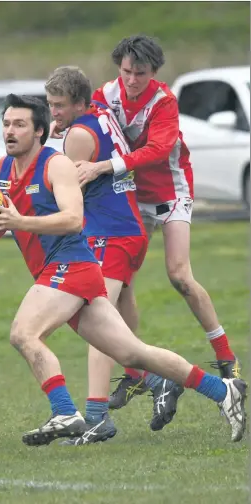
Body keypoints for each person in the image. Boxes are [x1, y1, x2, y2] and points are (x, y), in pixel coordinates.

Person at [0, 93, 247, 449]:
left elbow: (73, 219)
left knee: (24, 333)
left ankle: (65, 411)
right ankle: (222, 390)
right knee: (133, 354)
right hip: (60, 273)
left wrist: (19, 220)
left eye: (19, 124)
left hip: (72, 265)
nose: (10, 131)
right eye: (6, 124)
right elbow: (5, 226)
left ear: (39, 131)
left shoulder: (57, 165)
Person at [57, 35, 241, 411]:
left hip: (170, 193)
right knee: (120, 286)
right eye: (126, 71)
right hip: (132, 200)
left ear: (154, 72)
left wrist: (103, 166)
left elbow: (158, 150)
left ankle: (226, 358)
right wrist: (66, 127)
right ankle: (136, 372)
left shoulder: (165, 102)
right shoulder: (107, 93)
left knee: (179, 276)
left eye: (140, 73)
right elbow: (88, 119)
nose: (131, 80)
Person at [45, 66, 184, 445]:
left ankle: (97, 415)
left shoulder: (77, 135)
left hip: (110, 232)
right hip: (129, 226)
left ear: (77, 103)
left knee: (96, 318)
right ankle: (149, 379)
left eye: (59, 105)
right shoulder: (102, 114)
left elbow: (62, 191)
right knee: (121, 308)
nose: (53, 112)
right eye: (49, 105)